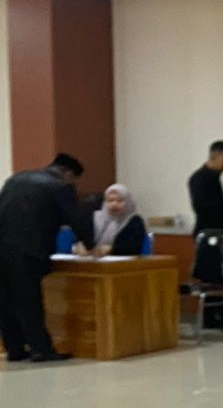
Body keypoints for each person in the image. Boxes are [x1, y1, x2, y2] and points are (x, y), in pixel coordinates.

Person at [0, 153, 93, 363]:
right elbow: (77, 218)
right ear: (68, 173)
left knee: (6, 301)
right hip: (30, 251)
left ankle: (14, 349)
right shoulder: (60, 186)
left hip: (2, 249)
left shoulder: (15, 179)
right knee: (29, 301)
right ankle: (42, 349)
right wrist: (90, 244)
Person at [73, 182, 147, 257]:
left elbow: (133, 248)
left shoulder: (134, 221)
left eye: (120, 201)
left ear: (128, 202)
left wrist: (112, 249)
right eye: (110, 200)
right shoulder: (95, 217)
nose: (114, 204)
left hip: (120, 262)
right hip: (91, 260)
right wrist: (79, 245)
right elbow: (80, 238)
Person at [187, 139, 223, 234]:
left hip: (219, 232)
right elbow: (202, 208)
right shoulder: (200, 178)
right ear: (214, 156)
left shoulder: (214, 177)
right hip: (209, 233)